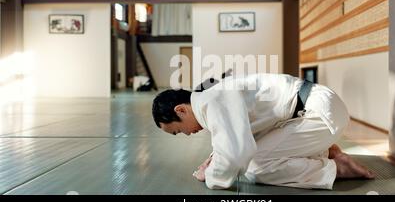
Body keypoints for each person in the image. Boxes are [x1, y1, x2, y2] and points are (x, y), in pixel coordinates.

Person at [152, 73, 374, 190]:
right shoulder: (208, 97)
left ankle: (334, 169)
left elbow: (238, 152)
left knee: (256, 167)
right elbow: (237, 133)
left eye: (178, 131)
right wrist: (214, 158)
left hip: (318, 114)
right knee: (258, 156)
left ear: (180, 110)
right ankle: (325, 151)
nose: (187, 134)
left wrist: (210, 175)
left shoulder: (211, 100)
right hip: (313, 110)